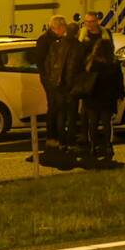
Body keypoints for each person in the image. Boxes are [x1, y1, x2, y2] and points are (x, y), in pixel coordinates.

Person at [81, 39, 125, 163]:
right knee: (107, 123)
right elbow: (119, 81)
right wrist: (120, 94)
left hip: (93, 97)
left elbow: (86, 79)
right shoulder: (114, 64)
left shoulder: (91, 63)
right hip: (108, 98)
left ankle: (93, 146)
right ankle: (108, 145)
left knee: (93, 123)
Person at [44, 19, 83, 151]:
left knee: (61, 114)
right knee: (71, 115)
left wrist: (52, 80)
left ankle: (61, 142)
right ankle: (70, 142)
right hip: (70, 86)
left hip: (57, 85)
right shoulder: (79, 46)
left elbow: (48, 64)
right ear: (77, 33)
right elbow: (78, 67)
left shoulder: (56, 44)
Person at [36, 15, 67, 143]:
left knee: (57, 107)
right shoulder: (45, 40)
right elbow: (40, 60)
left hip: (55, 79)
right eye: (63, 26)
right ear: (58, 27)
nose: (65, 29)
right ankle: (52, 135)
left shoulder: (56, 39)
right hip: (51, 79)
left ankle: (56, 134)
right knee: (54, 107)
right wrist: (47, 78)